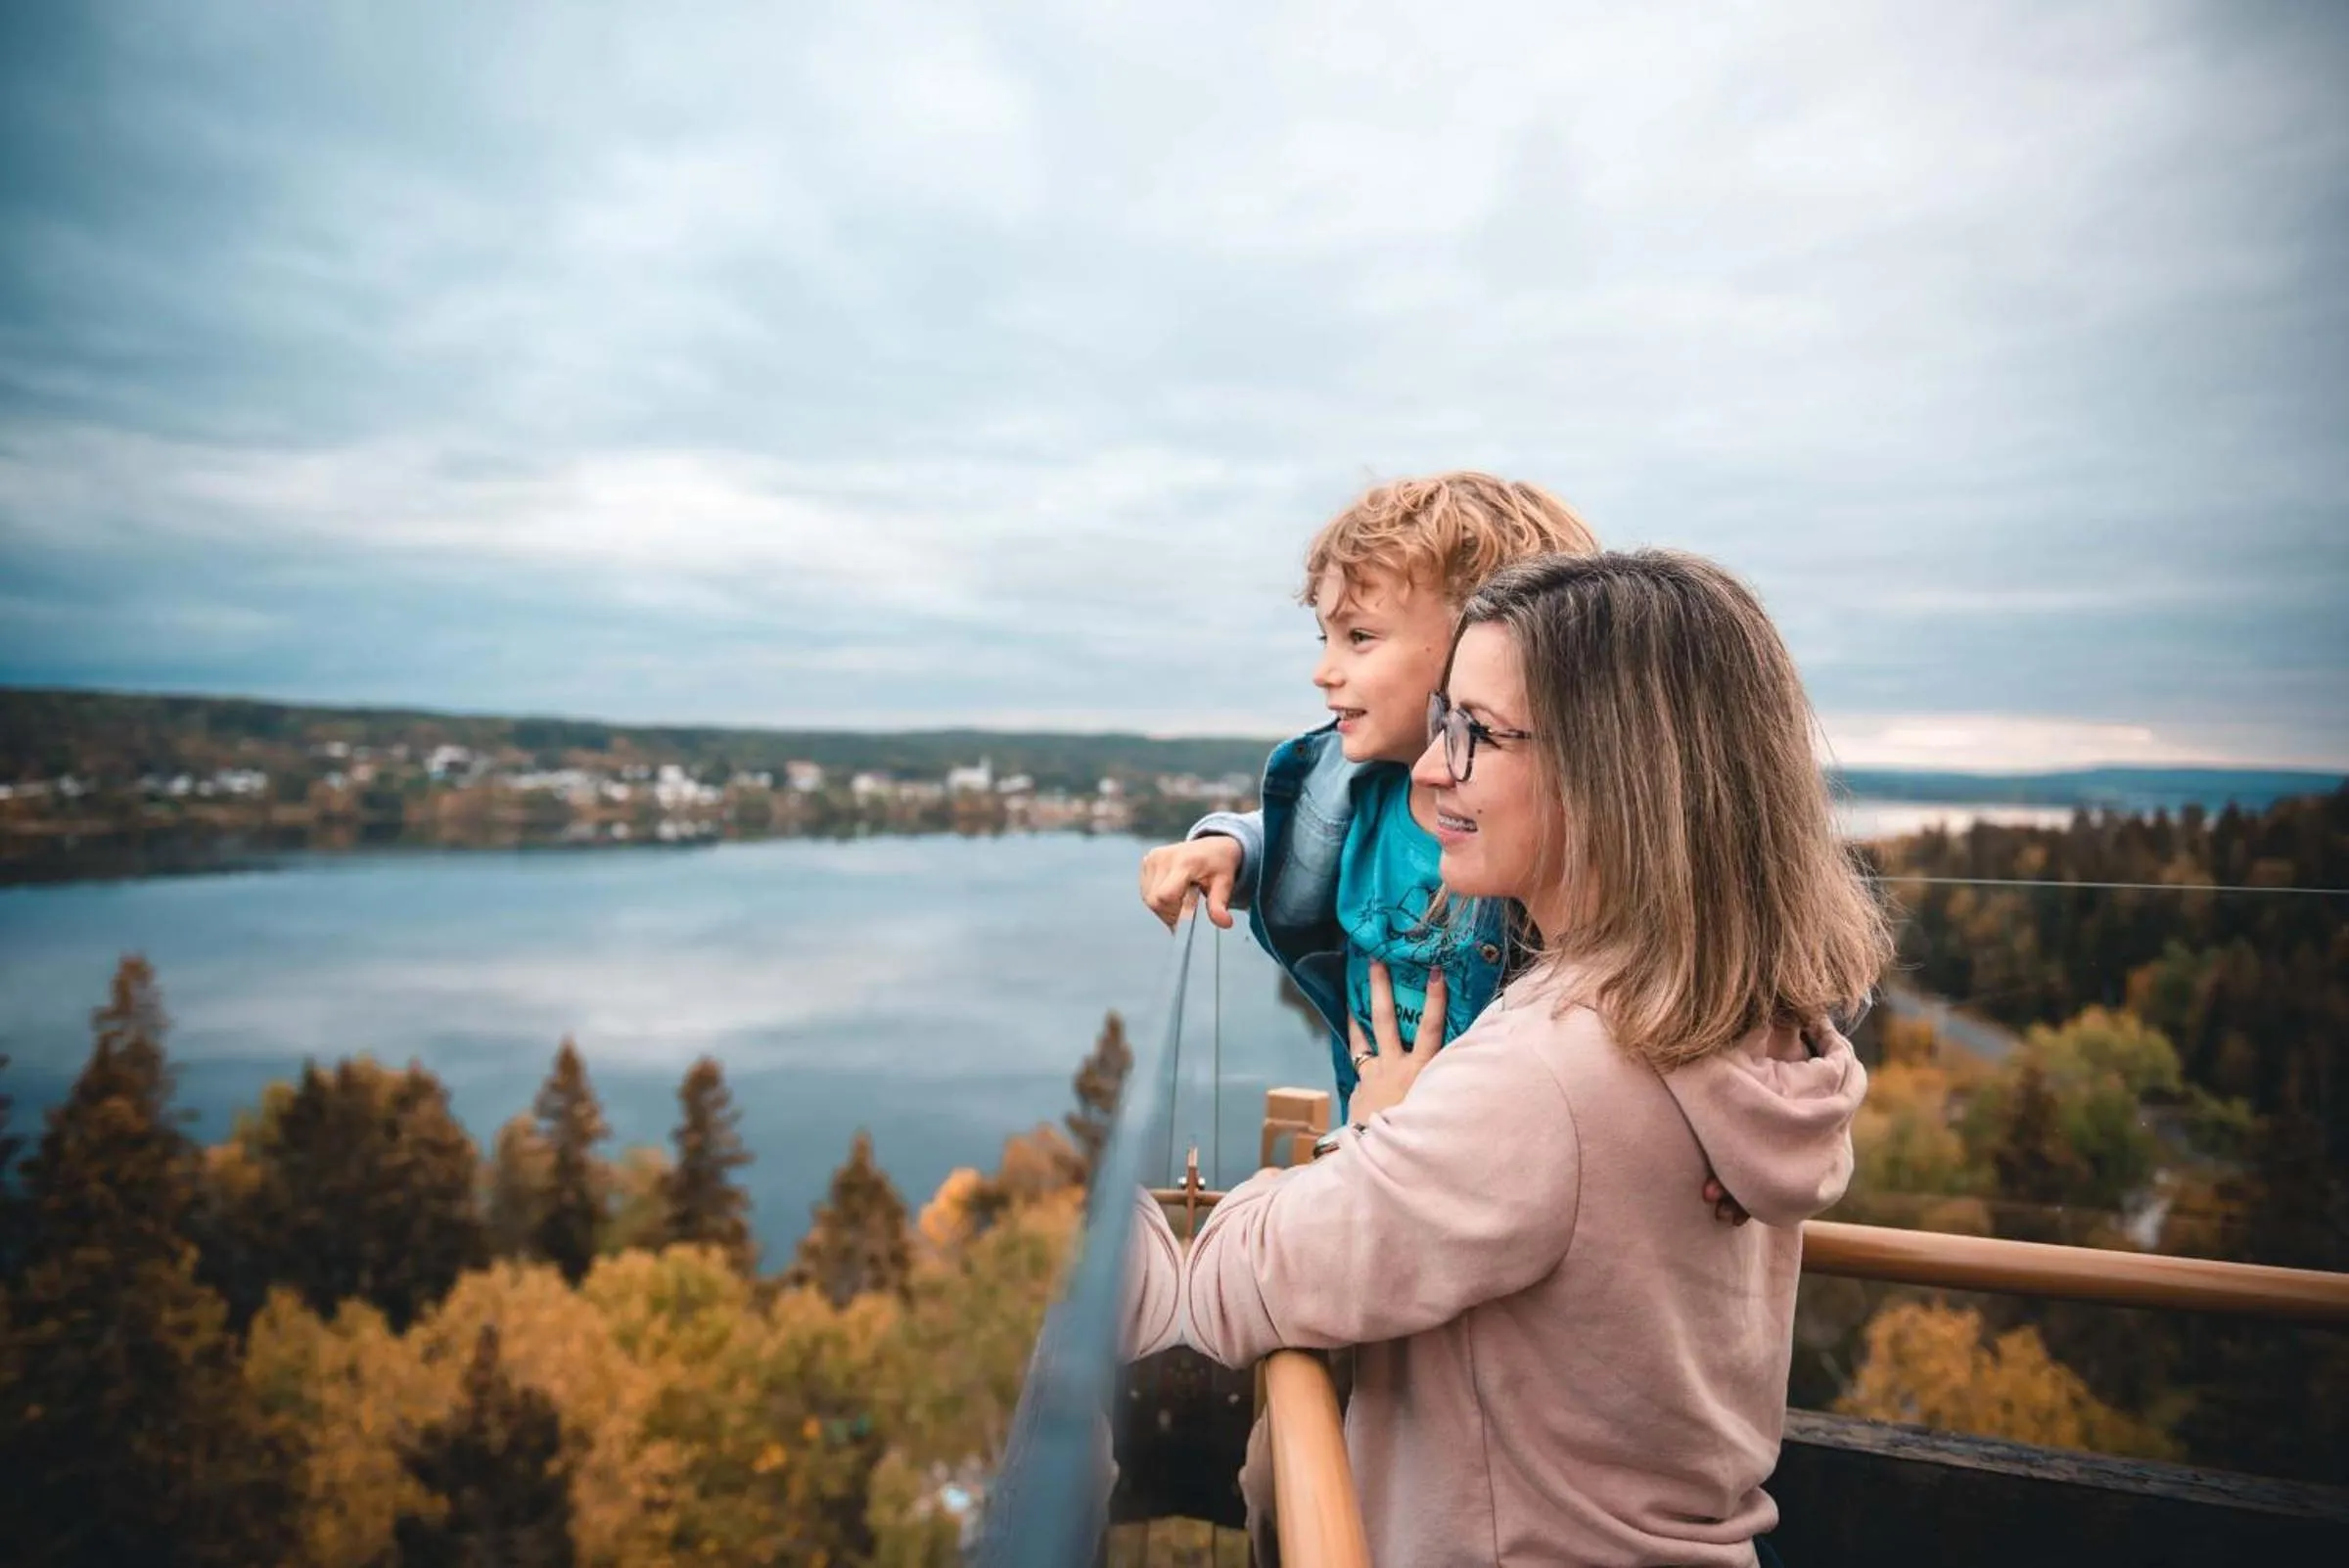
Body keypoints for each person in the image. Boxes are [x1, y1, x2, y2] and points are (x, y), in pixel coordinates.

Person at [1179, 550, 1891, 1566]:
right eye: (1442, 723)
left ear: (1619, 774)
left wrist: (1373, 1134)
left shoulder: (1548, 1076)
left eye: (1478, 733)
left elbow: (1233, 1281)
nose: (1431, 771)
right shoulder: (1748, 1023)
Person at [1137, 473, 1598, 1118]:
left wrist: (1400, 1117)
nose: (1323, 672)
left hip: (1469, 1140)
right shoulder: (1357, 782)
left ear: (1485, 642)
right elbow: (1306, 831)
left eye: (1359, 636)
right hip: (1371, 1119)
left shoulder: (1550, 831)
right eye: (1325, 638)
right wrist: (1233, 849)